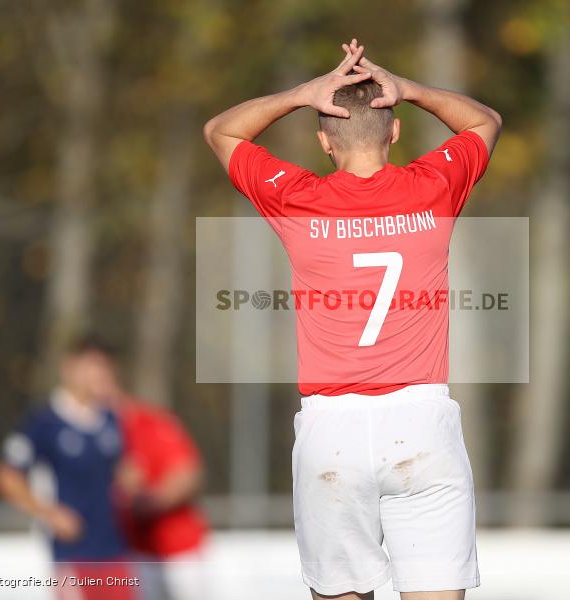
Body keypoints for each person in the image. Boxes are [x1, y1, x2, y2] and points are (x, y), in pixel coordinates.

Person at [203, 38, 501, 600]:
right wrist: (409, 89)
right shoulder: (432, 187)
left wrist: (299, 94)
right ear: (394, 132)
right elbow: (484, 123)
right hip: (420, 422)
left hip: (331, 429)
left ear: (323, 141)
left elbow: (222, 131)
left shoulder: (298, 198)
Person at [0, 337, 137, 600]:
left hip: (116, 549)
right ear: (69, 368)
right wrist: (50, 513)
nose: (99, 374)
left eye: (104, 367)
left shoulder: (111, 418)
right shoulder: (44, 422)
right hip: (72, 553)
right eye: (92, 366)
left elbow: (123, 472)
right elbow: (6, 476)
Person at [88, 350, 209, 600]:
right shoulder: (87, 433)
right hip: (127, 554)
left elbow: (188, 474)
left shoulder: (150, 423)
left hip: (176, 554)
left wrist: (148, 501)